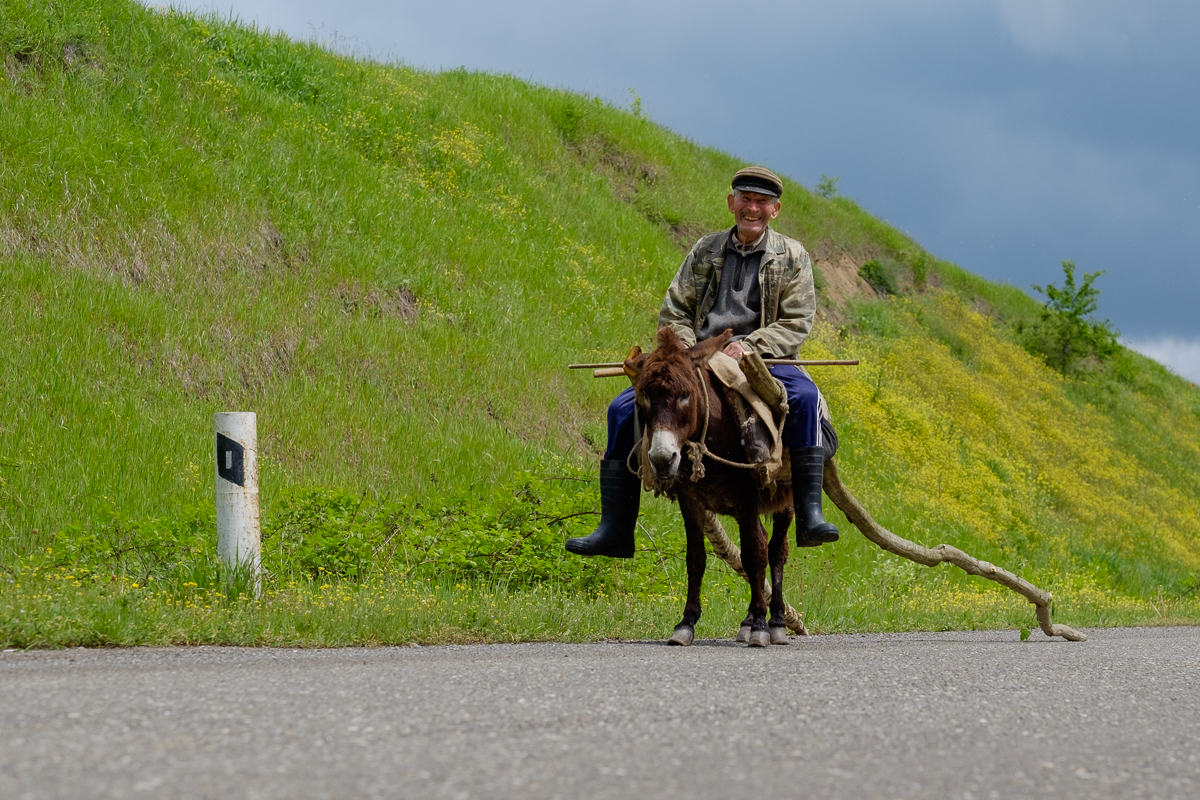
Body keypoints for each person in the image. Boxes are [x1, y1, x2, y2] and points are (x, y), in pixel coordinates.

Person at [566, 166, 839, 559]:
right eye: (745, 199)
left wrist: (751, 345)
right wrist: (690, 351)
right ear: (732, 203)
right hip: (697, 357)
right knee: (623, 409)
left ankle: (810, 514)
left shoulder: (793, 256)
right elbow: (676, 309)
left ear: (775, 210)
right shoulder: (705, 250)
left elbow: (797, 321)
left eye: (762, 202)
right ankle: (616, 528)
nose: (753, 208)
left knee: (807, 399)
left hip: (767, 358)